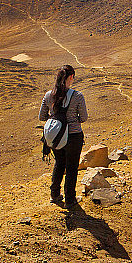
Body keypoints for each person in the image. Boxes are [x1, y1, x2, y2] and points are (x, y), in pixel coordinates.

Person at [39, 65, 88, 209]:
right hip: (73, 136)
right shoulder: (77, 96)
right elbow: (83, 118)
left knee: (59, 163)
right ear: (71, 77)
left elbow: (42, 116)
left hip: (55, 136)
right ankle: (70, 200)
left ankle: (54, 194)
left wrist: (56, 120)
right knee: (72, 167)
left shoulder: (49, 95)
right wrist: (72, 120)